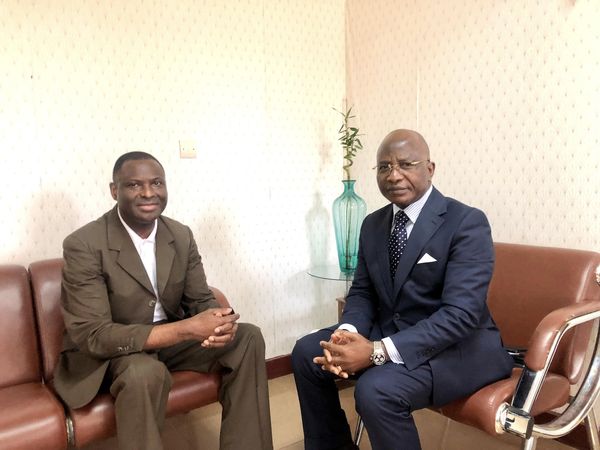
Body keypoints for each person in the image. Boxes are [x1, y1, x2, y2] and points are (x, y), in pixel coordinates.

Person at [292, 129, 513, 450]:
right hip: (392, 332)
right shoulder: (372, 224)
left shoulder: (466, 222)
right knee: (306, 352)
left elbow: (460, 315)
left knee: (375, 390)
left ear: (430, 168)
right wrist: (346, 333)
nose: (394, 175)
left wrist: (377, 351)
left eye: (406, 164)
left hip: (456, 349)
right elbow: (363, 292)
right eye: (384, 167)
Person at [54, 151, 273, 450]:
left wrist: (219, 323)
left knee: (248, 337)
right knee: (144, 372)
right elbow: (94, 335)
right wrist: (186, 329)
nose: (148, 193)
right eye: (134, 185)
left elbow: (200, 299)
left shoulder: (180, 235)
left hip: (169, 343)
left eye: (157, 183)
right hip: (113, 353)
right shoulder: (84, 244)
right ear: (114, 190)